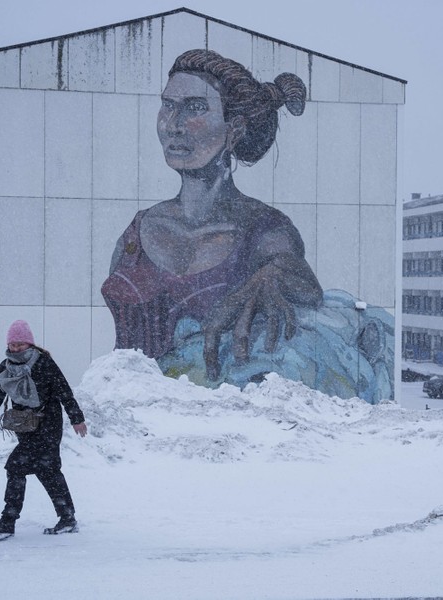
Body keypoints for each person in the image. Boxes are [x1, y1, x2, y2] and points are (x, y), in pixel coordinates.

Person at [101, 49, 322, 380]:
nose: (173, 125)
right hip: (138, 420)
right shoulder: (138, 231)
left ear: (234, 130)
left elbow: (304, 282)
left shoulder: (262, 228)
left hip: (219, 420)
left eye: (194, 108)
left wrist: (269, 276)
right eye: (168, 105)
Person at [0, 319, 88, 539]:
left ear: (30, 344)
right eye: (12, 345)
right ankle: (68, 518)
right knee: (48, 470)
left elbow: (64, 390)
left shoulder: (44, 362)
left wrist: (76, 418)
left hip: (48, 425)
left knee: (15, 466)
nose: (15, 348)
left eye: (20, 344)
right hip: (25, 426)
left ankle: (8, 521)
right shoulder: (6, 367)